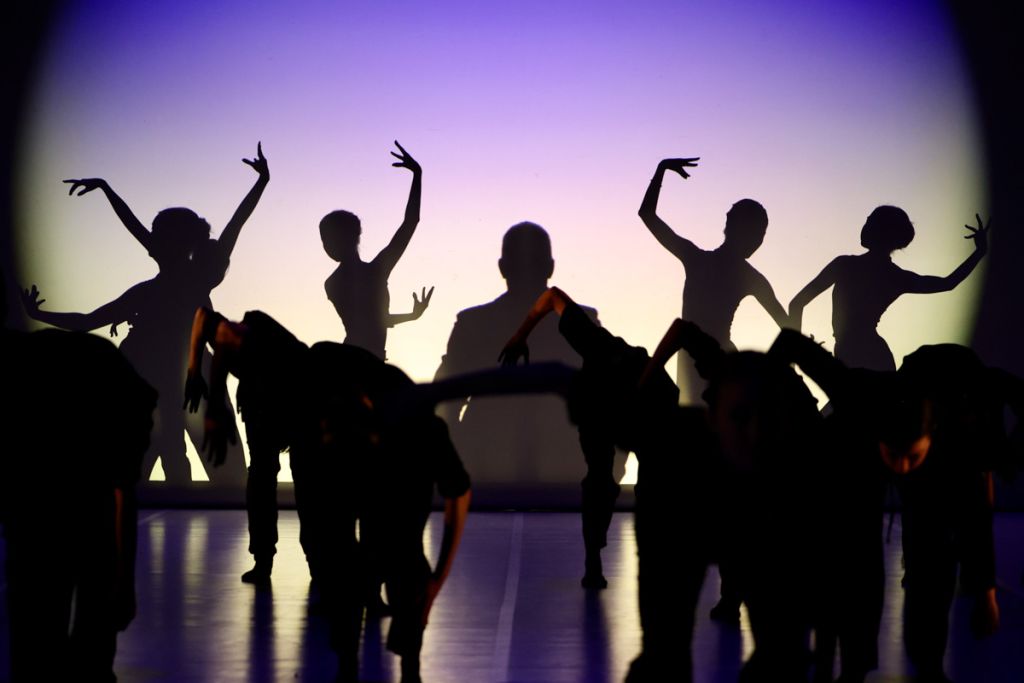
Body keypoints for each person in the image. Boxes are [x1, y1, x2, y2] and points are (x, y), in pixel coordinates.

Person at [185, 307, 470, 683]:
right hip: (295, 415)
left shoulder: (403, 425)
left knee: (366, 534)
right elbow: (214, 329)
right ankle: (336, 611)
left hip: (330, 412)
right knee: (322, 528)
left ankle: (370, 610)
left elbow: (453, 494)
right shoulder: (314, 409)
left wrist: (431, 585)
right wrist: (207, 389)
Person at [499, 287, 719, 683]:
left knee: (625, 490)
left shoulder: (647, 393)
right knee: (602, 483)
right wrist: (519, 335)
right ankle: (593, 558)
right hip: (613, 411)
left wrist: (520, 336)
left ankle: (598, 559)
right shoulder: (601, 359)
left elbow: (553, 299)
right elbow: (552, 297)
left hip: (642, 412)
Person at [35, 143, 270, 485]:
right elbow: (88, 320)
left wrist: (261, 183)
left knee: (191, 464)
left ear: (172, 244)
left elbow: (235, 223)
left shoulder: (183, 281)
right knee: (169, 460)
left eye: (156, 235)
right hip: (162, 382)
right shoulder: (161, 288)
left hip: (181, 381)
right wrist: (106, 190)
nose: (148, 240)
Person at [2, 283, 156, 682]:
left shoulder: (91, 368)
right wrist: (124, 583)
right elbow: (122, 488)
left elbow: (122, 487)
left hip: (60, 513)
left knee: (47, 634)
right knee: (79, 637)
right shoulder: (95, 362)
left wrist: (123, 583)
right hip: (75, 512)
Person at [435, 222, 611, 512]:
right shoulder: (583, 321)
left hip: (482, 468)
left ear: (502, 267)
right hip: (566, 469)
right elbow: (610, 398)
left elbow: (446, 403)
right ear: (551, 267)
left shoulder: (473, 323)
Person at [638, 157, 789, 402]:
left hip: (710, 364)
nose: (760, 241)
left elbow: (647, 214)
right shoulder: (743, 275)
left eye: (762, 234)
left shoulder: (699, 260)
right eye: (757, 233)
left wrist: (662, 168)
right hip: (708, 363)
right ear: (733, 227)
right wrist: (661, 168)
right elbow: (787, 326)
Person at [788, 207, 989, 371]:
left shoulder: (845, 265)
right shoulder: (895, 277)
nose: (864, 227)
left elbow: (796, 304)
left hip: (854, 356)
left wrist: (795, 352)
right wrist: (979, 252)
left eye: (869, 222)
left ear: (880, 231)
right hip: (872, 357)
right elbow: (948, 283)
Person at [320, 141, 432, 360]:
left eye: (330, 239)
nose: (327, 246)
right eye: (324, 241)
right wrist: (412, 316)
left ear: (352, 237)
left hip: (363, 359)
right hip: (361, 360)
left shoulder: (346, 279)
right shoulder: (357, 276)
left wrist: (417, 175)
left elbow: (410, 222)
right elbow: (373, 321)